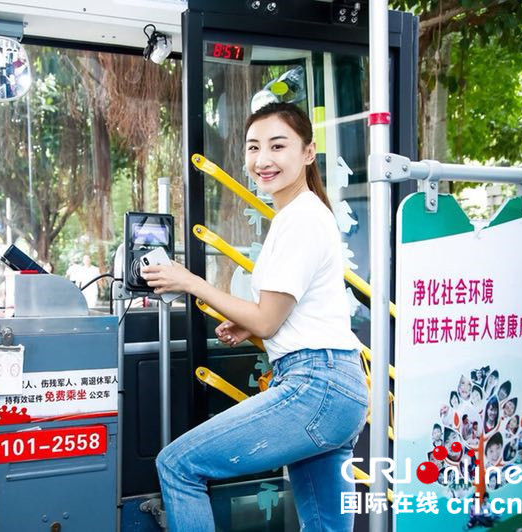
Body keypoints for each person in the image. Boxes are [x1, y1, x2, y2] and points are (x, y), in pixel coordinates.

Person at [141, 102, 367, 532]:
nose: (263, 160)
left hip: (315, 383)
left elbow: (267, 320)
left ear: (307, 152)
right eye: (253, 147)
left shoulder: (299, 219)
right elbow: (286, 312)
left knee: (177, 466)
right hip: (336, 385)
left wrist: (190, 280)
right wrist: (249, 322)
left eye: (277, 146)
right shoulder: (304, 214)